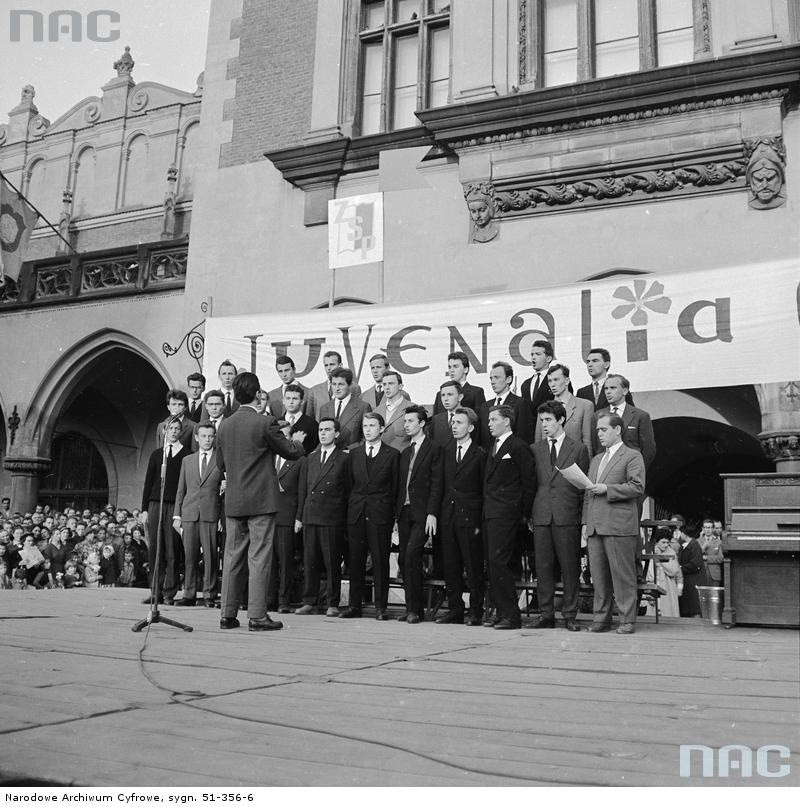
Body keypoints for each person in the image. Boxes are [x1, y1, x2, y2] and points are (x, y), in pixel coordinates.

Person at [215, 372, 306, 631]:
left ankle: (227, 614)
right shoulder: (265, 422)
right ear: (257, 394)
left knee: (232, 558)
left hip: (234, 500)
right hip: (261, 502)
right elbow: (289, 452)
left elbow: (220, 463)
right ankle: (256, 615)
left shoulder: (225, 425)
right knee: (259, 557)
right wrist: (297, 442)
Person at [582, 413, 645, 634]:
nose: (599, 434)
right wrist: (584, 523)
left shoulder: (632, 455)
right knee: (598, 576)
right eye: (598, 430)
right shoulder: (597, 459)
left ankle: (627, 620)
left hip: (618, 525)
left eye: (603, 430)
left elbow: (637, 487)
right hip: (595, 525)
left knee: (622, 576)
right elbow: (588, 494)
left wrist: (608, 489)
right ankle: (601, 619)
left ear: (617, 430)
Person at [530, 400, 590, 631]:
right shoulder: (535, 449)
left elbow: (584, 488)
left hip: (567, 516)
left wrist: (582, 519)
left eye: (548, 420)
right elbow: (532, 484)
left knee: (569, 567)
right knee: (543, 567)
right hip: (542, 515)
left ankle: (570, 615)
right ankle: (546, 614)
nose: (544, 425)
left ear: (561, 420)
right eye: (541, 420)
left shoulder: (578, 449)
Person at [341, 412, 399, 620]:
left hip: (380, 515)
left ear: (382, 429)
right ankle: (354, 606)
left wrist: (392, 517)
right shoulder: (354, 454)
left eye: (372, 426)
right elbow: (349, 486)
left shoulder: (392, 455)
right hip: (357, 514)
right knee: (355, 561)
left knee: (380, 562)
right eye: (365, 426)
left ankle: (380, 607)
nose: (367, 429)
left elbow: (395, 489)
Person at [483, 404, 535, 630]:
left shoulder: (518, 446)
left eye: (494, 419)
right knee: (494, 564)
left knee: (500, 562)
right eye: (489, 420)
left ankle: (511, 615)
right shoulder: (493, 446)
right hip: (491, 513)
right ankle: (501, 611)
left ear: (507, 421)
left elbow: (529, 483)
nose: (489, 424)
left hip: (507, 515)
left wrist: (521, 514)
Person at [295, 418, 350, 617]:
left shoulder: (344, 458)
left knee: (331, 561)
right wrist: (299, 516)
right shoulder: (310, 458)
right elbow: (304, 489)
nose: (323, 433)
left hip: (332, 516)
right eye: (320, 430)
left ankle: (332, 602)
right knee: (310, 561)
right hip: (311, 515)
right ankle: (309, 601)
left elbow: (348, 490)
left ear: (336, 434)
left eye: (328, 430)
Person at [437, 406, 486, 626]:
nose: (454, 426)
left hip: (470, 517)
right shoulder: (445, 451)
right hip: (448, 516)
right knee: (451, 565)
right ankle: (455, 608)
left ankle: (476, 610)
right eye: (453, 423)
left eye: (459, 423)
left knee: (473, 565)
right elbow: (439, 485)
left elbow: (484, 488)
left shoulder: (480, 454)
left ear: (471, 427)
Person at [395, 405, 443, 624]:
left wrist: (432, 512)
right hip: (404, 512)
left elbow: (436, 483)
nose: (406, 425)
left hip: (423, 512)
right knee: (404, 558)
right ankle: (411, 607)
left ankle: (416, 608)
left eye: (410, 421)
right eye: (405, 422)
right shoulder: (405, 452)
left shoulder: (434, 449)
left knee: (413, 554)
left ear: (422, 423)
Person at [173, 422, 224, 607]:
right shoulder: (187, 460)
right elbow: (181, 489)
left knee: (210, 556)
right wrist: (177, 516)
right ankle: (189, 594)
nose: (207, 440)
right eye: (203, 436)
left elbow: (225, 487)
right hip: (189, 513)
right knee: (189, 556)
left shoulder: (220, 459)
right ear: (196, 437)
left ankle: (209, 595)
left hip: (211, 513)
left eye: (211, 436)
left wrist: (221, 517)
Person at [141, 418, 186, 605]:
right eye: (170, 428)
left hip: (173, 505)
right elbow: (148, 481)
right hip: (155, 505)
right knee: (155, 549)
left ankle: (169, 592)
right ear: (164, 431)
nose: (173, 431)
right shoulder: (157, 454)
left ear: (181, 432)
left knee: (172, 549)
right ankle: (155, 592)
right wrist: (144, 509)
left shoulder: (186, 454)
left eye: (177, 428)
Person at [268, 422, 306, 614]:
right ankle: (269, 599)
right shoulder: (268, 457)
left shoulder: (299, 460)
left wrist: (299, 518)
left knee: (285, 561)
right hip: (267, 515)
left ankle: (284, 601)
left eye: (284, 436)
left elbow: (302, 492)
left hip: (287, 516)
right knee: (269, 561)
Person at [592, 375, 655, 469]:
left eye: (613, 388)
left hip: (631, 471)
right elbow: (595, 447)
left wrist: (636, 471)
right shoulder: (597, 416)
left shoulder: (640, 416)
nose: (608, 392)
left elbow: (649, 450)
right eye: (606, 388)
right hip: (605, 472)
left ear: (625, 391)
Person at [534, 363, 593, 453]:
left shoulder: (585, 405)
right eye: (550, 381)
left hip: (574, 462)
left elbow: (587, 442)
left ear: (567, 381)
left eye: (556, 380)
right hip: (548, 462)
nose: (552, 384)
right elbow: (538, 442)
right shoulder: (543, 409)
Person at [319, 368, 371, 449]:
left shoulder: (363, 407)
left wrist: (350, 451)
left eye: (341, 384)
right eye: (334, 384)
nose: (337, 388)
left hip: (352, 457)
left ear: (349, 385)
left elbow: (367, 438)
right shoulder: (324, 408)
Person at [517, 340, 556, 443]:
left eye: (538, 354)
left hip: (549, 433)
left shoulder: (556, 380)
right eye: (532, 354)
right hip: (529, 437)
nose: (533, 357)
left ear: (548, 358)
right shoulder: (525, 384)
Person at [309, 351, 363, 421]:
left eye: (332, 364)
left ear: (340, 365)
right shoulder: (314, 391)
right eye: (326, 365)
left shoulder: (354, 388)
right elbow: (309, 419)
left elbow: (357, 413)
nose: (328, 368)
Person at [479, 361, 520, 449]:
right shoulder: (484, 407)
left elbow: (523, 435)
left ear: (508, 379)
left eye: (496, 377)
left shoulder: (520, 403)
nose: (492, 382)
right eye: (491, 378)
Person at [432, 351, 486, 416]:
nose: (451, 370)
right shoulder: (439, 394)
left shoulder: (476, 392)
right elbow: (435, 420)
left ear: (465, 369)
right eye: (449, 367)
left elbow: (480, 419)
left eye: (455, 366)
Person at [374, 370, 414, 452]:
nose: (387, 387)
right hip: (380, 460)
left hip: (402, 458)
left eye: (391, 383)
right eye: (384, 384)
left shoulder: (413, 408)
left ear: (400, 386)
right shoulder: (376, 411)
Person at [646, 528, 682, 618]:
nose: (666, 545)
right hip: (654, 584)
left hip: (668, 587)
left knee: (668, 612)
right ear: (657, 542)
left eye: (667, 542)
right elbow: (648, 572)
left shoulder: (671, 553)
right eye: (663, 542)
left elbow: (674, 570)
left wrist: (660, 559)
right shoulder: (650, 552)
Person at [676, 519, 707, 617]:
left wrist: (680, 568)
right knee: (688, 606)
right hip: (688, 580)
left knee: (694, 607)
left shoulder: (694, 545)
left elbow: (695, 564)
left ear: (685, 534)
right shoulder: (684, 546)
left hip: (694, 580)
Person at [268, 355, 312, 419]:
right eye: (280, 371)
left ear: (294, 370)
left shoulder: (308, 393)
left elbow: (310, 417)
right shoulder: (271, 395)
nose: (284, 374)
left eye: (287, 370)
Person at [282, 384, 319, 452]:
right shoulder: (276, 423)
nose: (291, 402)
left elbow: (315, 449)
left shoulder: (312, 424)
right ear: (283, 401)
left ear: (302, 402)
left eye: (295, 399)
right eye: (288, 398)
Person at [427, 380, 463, 447]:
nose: (445, 399)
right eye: (443, 395)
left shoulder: (470, 417)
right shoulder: (436, 419)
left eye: (450, 394)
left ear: (460, 397)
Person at [699, 516, 724, 586]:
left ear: (713, 529)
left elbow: (720, 558)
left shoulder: (719, 542)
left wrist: (706, 558)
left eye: (709, 527)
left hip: (714, 575)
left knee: (714, 596)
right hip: (701, 573)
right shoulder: (697, 541)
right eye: (706, 527)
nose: (707, 530)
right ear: (702, 529)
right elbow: (695, 557)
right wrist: (703, 548)